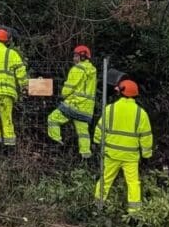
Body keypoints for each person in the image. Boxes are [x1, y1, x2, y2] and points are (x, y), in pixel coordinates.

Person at [94, 79, 152, 214]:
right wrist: (146, 155)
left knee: (105, 180)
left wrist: (97, 143)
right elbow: (146, 136)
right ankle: (134, 213)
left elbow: (99, 129)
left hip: (111, 154)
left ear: (120, 93)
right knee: (133, 183)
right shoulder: (140, 113)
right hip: (130, 156)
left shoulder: (110, 109)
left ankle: (97, 208)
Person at [47, 45, 97, 158]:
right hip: (86, 108)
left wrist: (63, 93)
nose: (74, 58)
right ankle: (86, 156)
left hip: (74, 104)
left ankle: (56, 141)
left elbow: (69, 87)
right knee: (83, 133)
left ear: (82, 57)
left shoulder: (78, 69)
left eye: (76, 56)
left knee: (52, 119)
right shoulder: (92, 70)